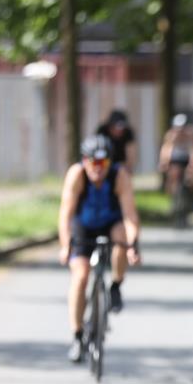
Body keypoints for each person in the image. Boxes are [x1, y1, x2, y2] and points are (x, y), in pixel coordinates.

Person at [58, 134, 141, 363]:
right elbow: (65, 214)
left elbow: (130, 216)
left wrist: (133, 245)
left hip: (110, 224)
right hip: (82, 226)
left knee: (122, 239)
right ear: (84, 161)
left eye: (103, 163)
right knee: (81, 276)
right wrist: (65, 246)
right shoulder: (76, 175)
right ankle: (77, 336)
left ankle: (115, 285)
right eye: (93, 163)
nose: (98, 168)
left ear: (109, 163)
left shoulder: (119, 175)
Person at [96, 109, 137, 174]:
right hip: (104, 163)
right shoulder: (102, 131)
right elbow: (96, 152)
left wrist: (128, 168)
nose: (120, 131)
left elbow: (131, 154)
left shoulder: (128, 133)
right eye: (117, 127)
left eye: (122, 127)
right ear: (110, 126)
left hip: (121, 165)